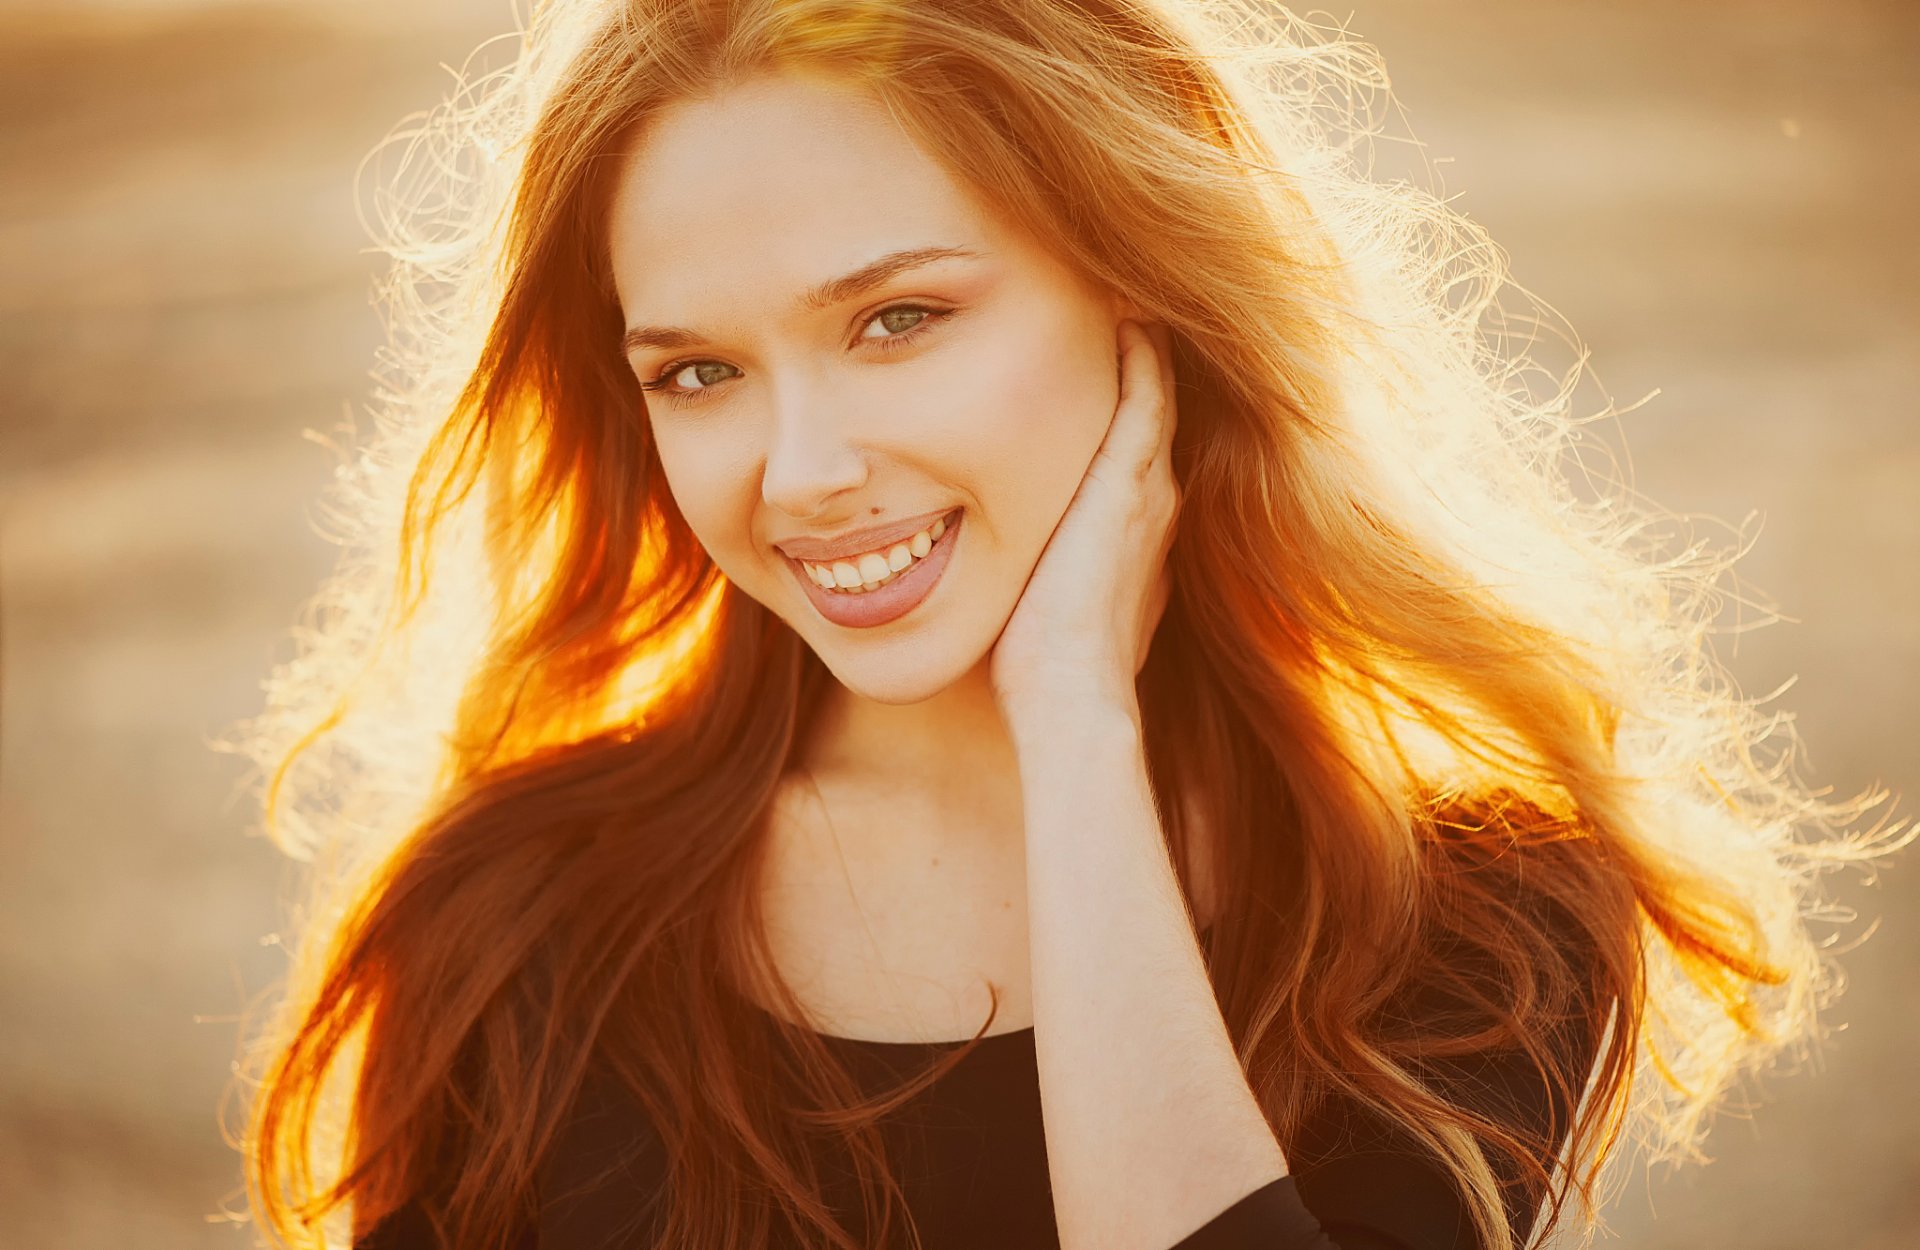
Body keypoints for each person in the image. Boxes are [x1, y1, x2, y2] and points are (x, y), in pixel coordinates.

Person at [227, 2, 1905, 1248]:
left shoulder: (1465, 912)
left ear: (1148, 294)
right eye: (699, 372)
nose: (801, 474)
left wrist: (1078, 731)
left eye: (897, 318)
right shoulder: (519, 918)